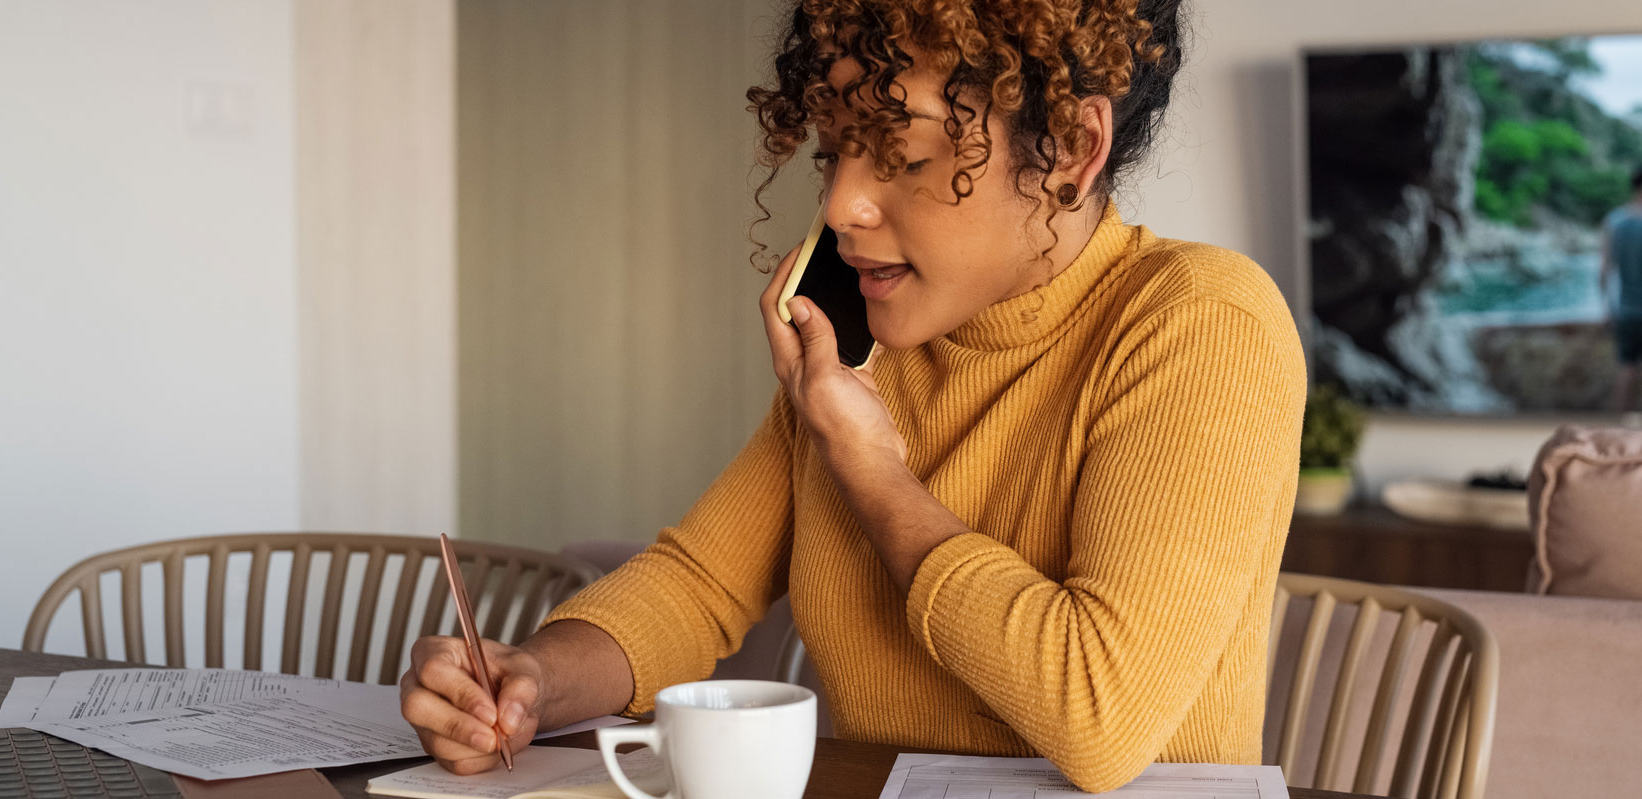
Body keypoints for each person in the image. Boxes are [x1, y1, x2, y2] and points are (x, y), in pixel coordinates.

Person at [399, 0, 1306, 792]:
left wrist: (870, 468)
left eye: (899, 158)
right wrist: (530, 681)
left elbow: (1097, 716)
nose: (840, 207)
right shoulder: (874, 340)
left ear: (1070, 150)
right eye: (835, 153)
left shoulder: (1202, 321)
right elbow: (701, 581)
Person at [1603, 166, 1642, 414]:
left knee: (1626, 367)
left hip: (1625, 309)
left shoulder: (1614, 221)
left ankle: (1621, 427)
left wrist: (1606, 308)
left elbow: (1604, 270)